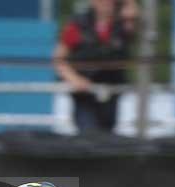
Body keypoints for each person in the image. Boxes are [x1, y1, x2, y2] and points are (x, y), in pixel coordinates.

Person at [53, 0, 139, 133]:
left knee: (107, 136)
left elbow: (133, 17)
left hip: (111, 92)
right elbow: (59, 59)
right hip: (85, 94)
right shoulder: (78, 25)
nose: (108, 3)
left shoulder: (123, 25)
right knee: (88, 133)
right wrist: (74, 79)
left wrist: (127, 4)